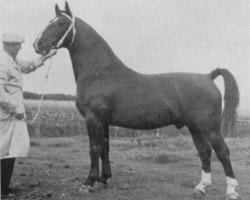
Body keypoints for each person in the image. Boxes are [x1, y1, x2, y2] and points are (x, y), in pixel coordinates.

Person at [0, 32, 57, 198]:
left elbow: (28, 66)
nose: (20, 47)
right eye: (18, 44)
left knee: (10, 151)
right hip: (6, 116)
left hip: (9, 116)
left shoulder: (12, 60)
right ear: (10, 45)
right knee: (5, 152)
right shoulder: (3, 63)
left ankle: (4, 188)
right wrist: (15, 108)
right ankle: (2, 191)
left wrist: (45, 58)